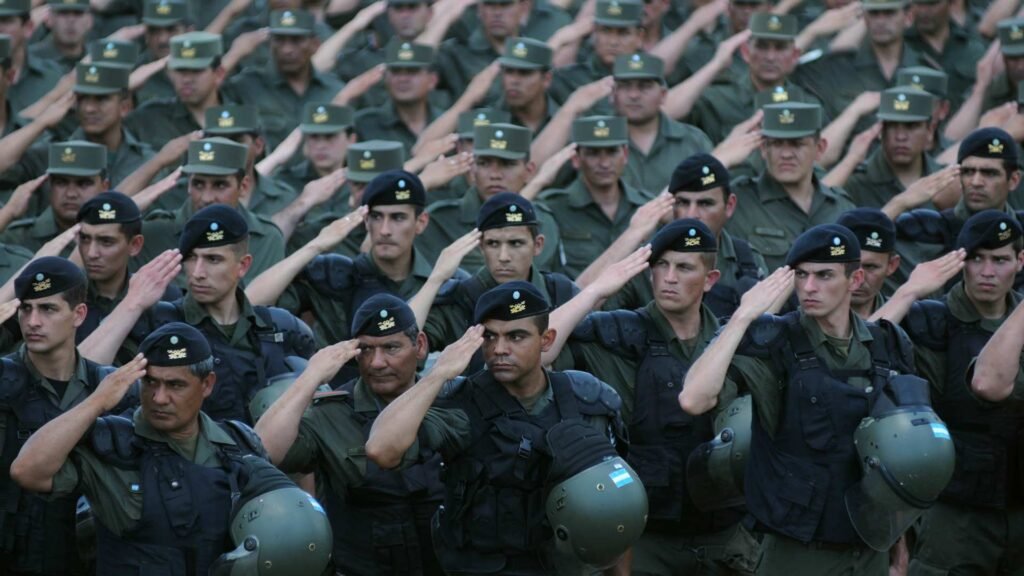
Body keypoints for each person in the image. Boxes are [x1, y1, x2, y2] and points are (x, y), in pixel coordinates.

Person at [679, 224, 917, 575]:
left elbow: (897, 455)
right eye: (801, 275)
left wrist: (898, 540)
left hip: (867, 548)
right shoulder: (774, 340)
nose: (808, 287)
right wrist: (744, 317)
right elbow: (693, 399)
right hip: (796, 547)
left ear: (855, 280)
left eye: (824, 275)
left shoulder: (887, 344)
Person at [9, 322, 327, 575]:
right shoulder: (110, 442)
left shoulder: (238, 442)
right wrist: (96, 402)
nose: (159, 398)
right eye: (151, 383)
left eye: (175, 385)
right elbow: (27, 470)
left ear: (207, 385)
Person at [364, 281, 632, 575]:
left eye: (516, 337)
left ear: (546, 340)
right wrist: (437, 374)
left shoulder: (586, 398)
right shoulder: (460, 406)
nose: (500, 349)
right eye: (490, 337)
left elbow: (617, 510)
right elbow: (381, 450)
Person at [543, 220, 761, 576]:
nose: (669, 277)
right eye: (661, 265)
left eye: (684, 267)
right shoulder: (618, 333)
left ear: (710, 279)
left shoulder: (732, 340)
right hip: (645, 539)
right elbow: (537, 350)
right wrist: (596, 291)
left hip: (725, 536)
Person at [870, 210, 1023, 575]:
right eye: (975, 259)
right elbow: (859, 350)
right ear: (960, 261)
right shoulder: (929, 320)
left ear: (1020, 261)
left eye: (1000, 260)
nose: (987, 272)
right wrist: (908, 291)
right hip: (952, 512)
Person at [256, 294, 446, 576]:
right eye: (366, 350)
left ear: (419, 346)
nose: (376, 363)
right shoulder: (331, 413)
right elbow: (264, 450)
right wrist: (311, 377)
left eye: (391, 348)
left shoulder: (449, 401)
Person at [83, 204, 316, 423]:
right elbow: (82, 375)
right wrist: (132, 305)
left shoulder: (279, 328)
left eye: (213, 259)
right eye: (192, 258)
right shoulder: (157, 323)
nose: (198, 273)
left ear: (243, 265)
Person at [0, 257, 117, 576]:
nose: (33, 321)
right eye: (26, 309)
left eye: (48, 309)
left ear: (79, 314)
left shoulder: (107, 389)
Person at [413, 192, 577, 370]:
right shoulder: (459, 300)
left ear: (538, 245)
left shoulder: (561, 293)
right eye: (493, 244)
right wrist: (435, 279)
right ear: (481, 246)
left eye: (515, 243)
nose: (503, 257)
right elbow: (405, 349)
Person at [136, 137, 286, 283]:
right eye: (198, 184)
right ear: (188, 185)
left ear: (243, 186)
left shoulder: (266, 239)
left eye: (220, 185)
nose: (207, 198)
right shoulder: (154, 233)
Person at [726, 102, 855, 271]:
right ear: (764, 148)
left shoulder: (841, 207)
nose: (786, 154)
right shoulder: (738, 203)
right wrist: (723, 160)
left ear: (820, 148)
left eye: (797, 144)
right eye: (777, 144)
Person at [419, 123, 562, 271]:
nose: (494, 175)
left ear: (529, 170)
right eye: (484, 163)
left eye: (507, 164)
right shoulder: (440, 219)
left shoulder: (542, 221)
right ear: (473, 168)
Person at [540, 115, 654, 279]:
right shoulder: (553, 208)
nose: (604, 163)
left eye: (612, 152)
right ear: (576, 159)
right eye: (593, 153)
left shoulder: (646, 207)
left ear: (625, 155)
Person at [689, 13, 821, 144]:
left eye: (780, 48)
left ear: (794, 55)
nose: (770, 57)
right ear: (745, 52)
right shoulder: (717, 99)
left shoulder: (807, 104)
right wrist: (716, 64)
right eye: (762, 47)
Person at [74, 191, 182, 350]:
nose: (91, 253)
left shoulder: (164, 298)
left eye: (106, 242)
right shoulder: (67, 298)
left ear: (135, 245)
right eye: (85, 239)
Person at [226, 9, 343, 150]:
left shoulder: (335, 90)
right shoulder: (248, 86)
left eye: (297, 40)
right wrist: (234, 54)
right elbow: (206, 96)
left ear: (315, 44)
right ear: (270, 44)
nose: (287, 49)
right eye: (279, 40)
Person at [670, 154, 766, 318]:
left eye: (705, 203)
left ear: (729, 206)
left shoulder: (747, 259)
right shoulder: (645, 259)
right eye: (683, 203)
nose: (692, 215)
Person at [612, 52, 713, 194]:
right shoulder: (599, 143)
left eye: (644, 87)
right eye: (625, 86)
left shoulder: (693, 141)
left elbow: (712, 188)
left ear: (663, 95)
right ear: (613, 94)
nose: (634, 95)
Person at [126, 31, 229, 151]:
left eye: (196, 71)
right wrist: (125, 88)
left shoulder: (238, 118)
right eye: (180, 70)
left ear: (219, 74)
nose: (186, 79)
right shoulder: (150, 118)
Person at [1, 140, 108, 253]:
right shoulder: (17, 237)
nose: (71, 194)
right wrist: (9, 212)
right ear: (49, 185)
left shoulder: (119, 236)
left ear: (104, 187)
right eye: (61, 183)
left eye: (83, 184)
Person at [843, 87, 941, 209]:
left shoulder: (944, 181)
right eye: (891, 125)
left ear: (930, 130)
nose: (900, 136)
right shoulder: (855, 184)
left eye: (911, 126)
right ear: (880, 130)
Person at [354, 41, 442, 156]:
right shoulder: (365, 124)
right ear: (385, 78)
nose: (402, 79)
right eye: (396, 71)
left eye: (412, 72)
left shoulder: (446, 122)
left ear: (432, 80)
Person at [550, 0, 645, 106]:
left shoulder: (649, 81)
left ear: (639, 37)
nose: (613, 42)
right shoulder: (568, 79)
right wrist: (557, 41)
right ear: (594, 33)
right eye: (606, 31)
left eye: (623, 33)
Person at [836, 208, 900, 318]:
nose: (859, 279)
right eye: (850, 265)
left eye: (870, 267)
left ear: (891, 265)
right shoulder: (803, 319)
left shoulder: (909, 320)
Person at [28, 0, 92, 72]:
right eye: (63, 13)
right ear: (49, 19)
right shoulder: (30, 59)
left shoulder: (95, 58)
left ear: (89, 20)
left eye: (78, 13)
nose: (71, 20)